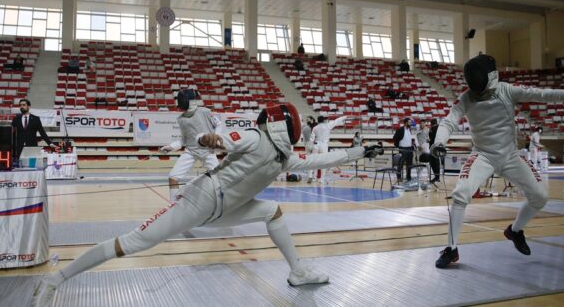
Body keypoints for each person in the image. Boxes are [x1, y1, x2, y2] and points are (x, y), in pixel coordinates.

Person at [30, 103, 383, 306]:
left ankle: (298, 271)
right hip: (200, 200)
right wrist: (206, 137)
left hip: (227, 209)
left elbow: (319, 162)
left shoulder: (283, 157)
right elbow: (222, 139)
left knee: (272, 211)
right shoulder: (254, 136)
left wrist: (357, 152)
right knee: (134, 242)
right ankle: (55, 281)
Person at [430, 54, 564, 269]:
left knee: (540, 196)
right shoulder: (467, 98)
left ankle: (514, 231)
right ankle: (451, 249)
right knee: (460, 194)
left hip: (510, 156)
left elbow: (539, 93)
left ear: (490, 78)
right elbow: (449, 121)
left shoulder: (506, 90)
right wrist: (439, 142)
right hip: (483, 155)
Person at [160, 89, 222, 199]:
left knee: (219, 178)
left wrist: (216, 137)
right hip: (191, 152)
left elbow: (219, 124)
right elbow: (184, 140)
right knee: (173, 177)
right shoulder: (181, 119)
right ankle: (174, 204)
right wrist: (171, 147)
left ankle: (221, 202)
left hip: (208, 151)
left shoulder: (206, 112)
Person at [310, 115, 348, 184]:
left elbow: (311, 139)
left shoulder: (315, 128)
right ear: (323, 120)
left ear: (318, 120)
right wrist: (344, 117)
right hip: (324, 146)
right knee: (324, 162)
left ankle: (314, 178)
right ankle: (321, 179)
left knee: (314, 162)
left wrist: (311, 147)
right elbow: (337, 121)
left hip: (316, 145)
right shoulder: (328, 125)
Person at [392, 117, 415, 183]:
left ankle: (408, 177)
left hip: (409, 149)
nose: (410, 123)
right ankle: (399, 177)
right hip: (403, 148)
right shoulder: (400, 129)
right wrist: (397, 146)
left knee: (409, 164)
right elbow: (395, 138)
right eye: (409, 122)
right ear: (405, 123)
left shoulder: (409, 130)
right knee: (400, 164)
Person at [302, 116, 316, 183]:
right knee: (314, 161)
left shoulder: (305, 127)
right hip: (311, 144)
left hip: (307, 145)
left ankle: (310, 176)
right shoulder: (311, 128)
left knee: (309, 161)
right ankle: (313, 176)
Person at [428, 118, 441, 183]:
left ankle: (436, 177)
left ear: (431, 123)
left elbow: (431, 139)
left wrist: (428, 140)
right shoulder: (439, 128)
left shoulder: (432, 129)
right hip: (437, 147)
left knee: (433, 163)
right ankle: (437, 177)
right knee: (436, 162)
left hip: (433, 148)